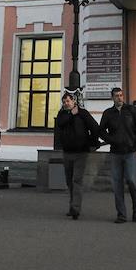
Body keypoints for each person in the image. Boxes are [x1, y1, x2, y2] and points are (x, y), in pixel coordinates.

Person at [54, 91, 102, 219]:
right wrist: (70, 114)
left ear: (74, 101)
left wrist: (93, 142)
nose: (66, 104)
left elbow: (94, 127)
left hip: (81, 152)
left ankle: (76, 208)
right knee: (69, 181)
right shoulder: (62, 114)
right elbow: (60, 124)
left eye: (68, 101)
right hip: (67, 152)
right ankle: (72, 205)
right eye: (64, 102)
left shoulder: (83, 113)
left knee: (76, 180)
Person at [99, 87, 136, 223]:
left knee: (131, 180)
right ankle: (121, 215)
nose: (119, 98)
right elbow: (101, 131)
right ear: (112, 98)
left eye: (121, 95)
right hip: (115, 153)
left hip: (130, 152)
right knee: (117, 185)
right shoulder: (108, 113)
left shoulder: (131, 110)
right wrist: (110, 140)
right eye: (117, 96)